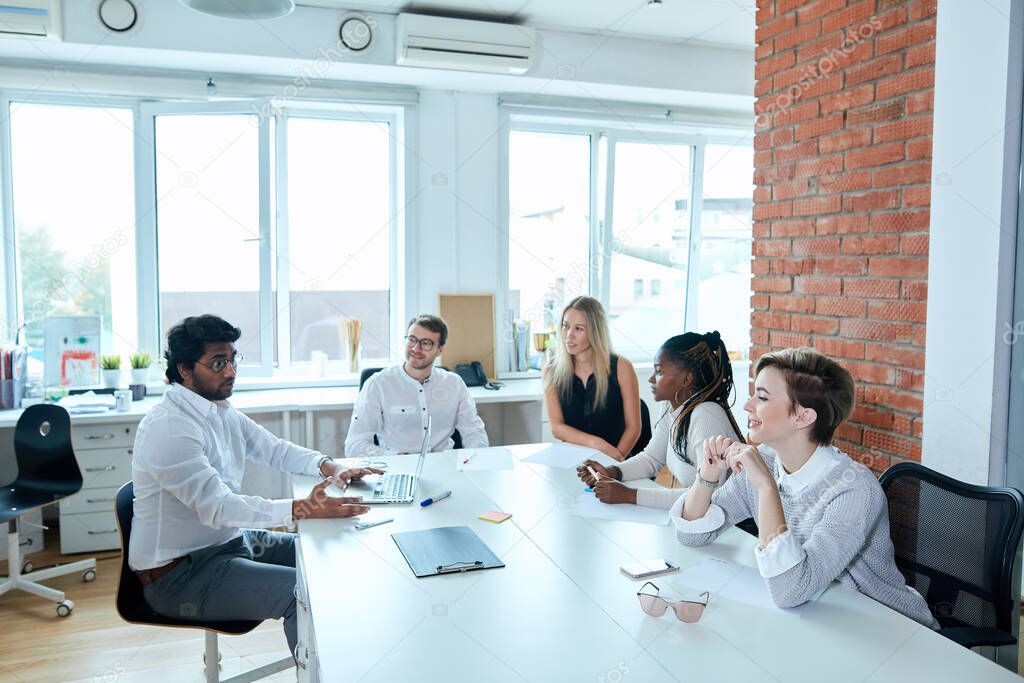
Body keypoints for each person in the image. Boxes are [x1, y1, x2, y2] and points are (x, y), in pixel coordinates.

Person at [130, 315, 381, 659]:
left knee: (331, 558)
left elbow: (273, 448)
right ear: (184, 369)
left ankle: (353, 659)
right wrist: (300, 509)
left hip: (229, 543)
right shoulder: (170, 429)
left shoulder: (217, 410)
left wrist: (330, 465)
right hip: (182, 576)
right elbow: (220, 507)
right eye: (218, 363)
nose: (231, 371)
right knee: (304, 592)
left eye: (232, 359)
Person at [671, 347, 938, 627]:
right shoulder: (765, 460)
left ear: (802, 417)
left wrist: (766, 488)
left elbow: (791, 590)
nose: (748, 406)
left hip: (889, 629)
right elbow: (692, 536)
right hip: (820, 619)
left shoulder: (854, 491)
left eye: (761, 397)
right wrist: (708, 475)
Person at [577, 331, 742, 508]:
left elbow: (708, 497)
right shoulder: (672, 407)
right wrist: (612, 472)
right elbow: (652, 459)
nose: (651, 378)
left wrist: (630, 495)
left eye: (659, 372)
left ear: (687, 379)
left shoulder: (706, 417)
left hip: (737, 528)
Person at [344, 314, 488, 456]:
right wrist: (393, 456)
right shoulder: (378, 385)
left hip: (443, 464)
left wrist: (472, 458)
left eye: (426, 343)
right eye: (412, 340)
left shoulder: (454, 384)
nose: (416, 349)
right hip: (397, 467)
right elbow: (355, 444)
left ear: (440, 349)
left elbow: (474, 433)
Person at [544, 296, 641, 461]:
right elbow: (557, 428)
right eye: (566, 326)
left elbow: (634, 427)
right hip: (572, 461)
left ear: (595, 331)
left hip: (617, 459)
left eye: (579, 329)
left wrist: (614, 463)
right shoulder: (551, 370)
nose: (569, 335)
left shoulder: (622, 367)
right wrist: (598, 444)